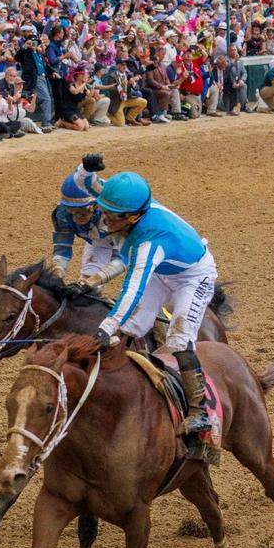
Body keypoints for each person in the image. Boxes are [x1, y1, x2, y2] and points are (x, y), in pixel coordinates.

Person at [93, 171, 219, 457]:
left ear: (134, 217)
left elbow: (133, 288)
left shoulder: (149, 241)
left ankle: (199, 412)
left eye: (113, 215)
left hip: (192, 277)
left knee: (179, 338)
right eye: (105, 211)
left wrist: (106, 326)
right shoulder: (128, 203)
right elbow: (93, 184)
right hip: (163, 271)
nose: (106, 219)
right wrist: (86, 172)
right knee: (132, 325)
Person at [48, 155, 119, 285]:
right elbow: (62, 246)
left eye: (84, 209)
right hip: (99, 240)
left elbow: (125, 256)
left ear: (97, 204)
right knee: (85, 285)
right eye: (72, 209)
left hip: (129, 241)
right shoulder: (63, 214)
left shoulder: (114, 215)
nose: (78, 215)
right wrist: (57, 271)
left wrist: (97, 279)